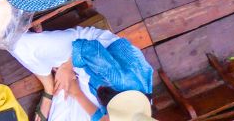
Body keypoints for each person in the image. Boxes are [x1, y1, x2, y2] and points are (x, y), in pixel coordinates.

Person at [9, 27, 155, 121]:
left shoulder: (136, 112)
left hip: (96, 82)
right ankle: (49, 87)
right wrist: (66, 68)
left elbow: (99, 117)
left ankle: (63, 80)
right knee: (18, 44)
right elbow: (86, 48)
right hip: (91, 48)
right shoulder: (121, 80)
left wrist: (76, 92)